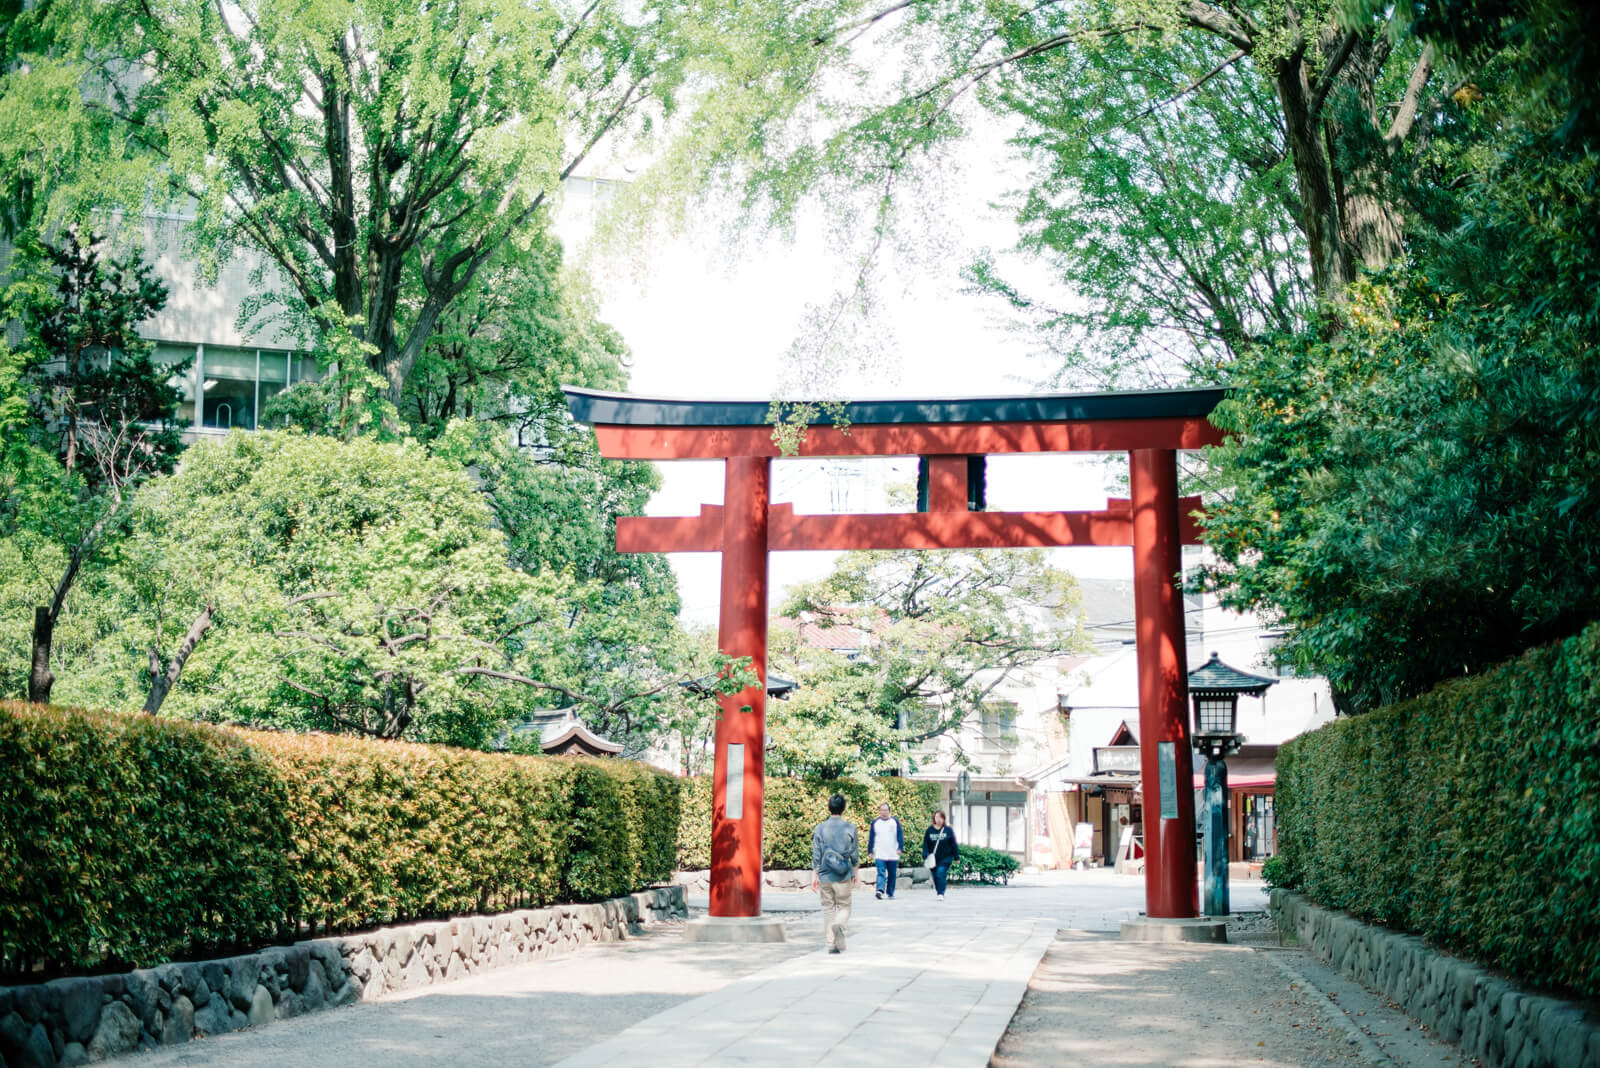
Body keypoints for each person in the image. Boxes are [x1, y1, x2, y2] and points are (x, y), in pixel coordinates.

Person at [811, 793, 860, 953]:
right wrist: (855, 872)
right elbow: (854, 853)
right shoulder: (850, 828)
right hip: (843, 874)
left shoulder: (820, 828)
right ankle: (839, 923)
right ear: (843, 808)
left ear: (829, 807)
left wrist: (814, 874)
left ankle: (831, 944)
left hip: (825, 874)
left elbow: (816, 853)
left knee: (828, 908)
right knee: (845, 906)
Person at [868, 802, 904, 900]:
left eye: (885, 810)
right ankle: (879, 890)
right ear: (879, 811)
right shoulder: (875, 822)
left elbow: (900, 835)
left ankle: (890, 892)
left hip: (892, 853)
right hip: (880, 852)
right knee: (881, 872)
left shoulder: (894, 822)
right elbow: (871, 837)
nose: (884, 812)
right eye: (882, 810)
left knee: (892, 874)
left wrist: (900, 848)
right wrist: (870, 851)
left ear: (889, 811)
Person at [923, 810, 960, 899]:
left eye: (941, 817)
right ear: (934, 818)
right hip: (933, 858)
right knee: (935, 876)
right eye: (936, 817)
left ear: (944, 819)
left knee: (940, 873)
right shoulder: (929, 830)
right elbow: (925, 843)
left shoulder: (948, 830)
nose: (938, 819)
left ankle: (941, 893)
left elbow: (953, 844)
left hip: (945, 858)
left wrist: (956, 857)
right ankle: (939, 890)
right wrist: (925, 854)